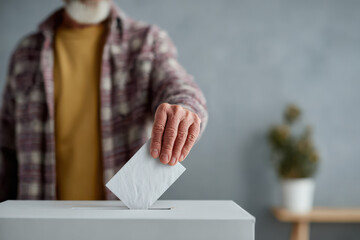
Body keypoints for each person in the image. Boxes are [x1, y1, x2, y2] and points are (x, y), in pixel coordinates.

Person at [0, 0, 208, 201]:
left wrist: (185, 109)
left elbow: (180, 86)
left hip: (121, 224)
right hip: (38, 223)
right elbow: (6, 146)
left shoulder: (147, 41)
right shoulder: (25, 53)